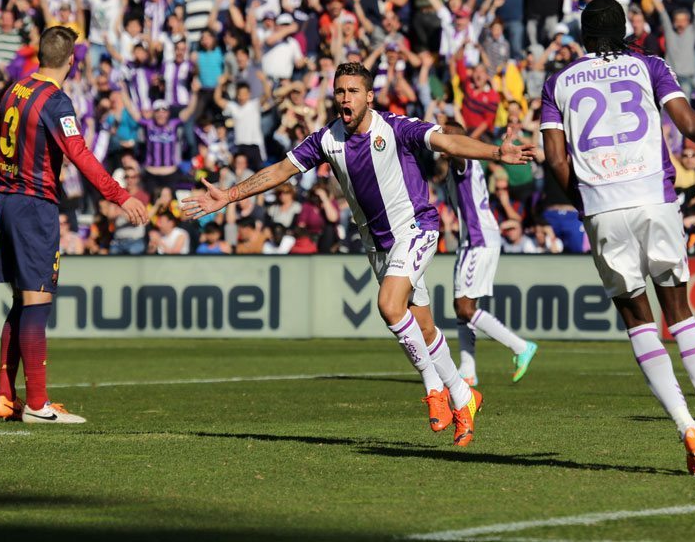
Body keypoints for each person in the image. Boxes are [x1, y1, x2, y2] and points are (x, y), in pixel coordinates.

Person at [182, 62, 535, 446]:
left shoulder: (397, 128)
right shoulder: (326, 139)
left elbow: (449, 142)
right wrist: (230, 195)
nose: (344, 98)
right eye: (339, 91)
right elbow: (281, 170)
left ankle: (435, 389)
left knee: (388, 305)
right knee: (425, 328)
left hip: (416, 229)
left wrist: (497, 152)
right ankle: (465, 396)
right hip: (378, 246)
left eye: (352, 91)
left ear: (369, 97)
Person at [540, 0, 695, 475]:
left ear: (584, 38)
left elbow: (555, 160)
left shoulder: (558, 81)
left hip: (602, 207)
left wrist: (589, 201)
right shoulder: (649, 65)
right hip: (655, 200)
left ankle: (686, 427)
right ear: (625, 30)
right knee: (681, 314)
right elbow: (690, 125)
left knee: (639, 323)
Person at [0, 26, 145, 424]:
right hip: (33, 206)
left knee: (22, 303)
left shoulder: (15, 89)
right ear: (71, 62)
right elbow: (79, 154)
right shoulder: (56, 102)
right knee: (37, 302)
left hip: (5, 202)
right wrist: (119, 194)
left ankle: (6, 398)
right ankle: (38, 405)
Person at [441, 123, 537, 388]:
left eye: (444, 134)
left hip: (478, 239)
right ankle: (468, 371)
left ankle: (520, 346)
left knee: (465, 307)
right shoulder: (455, 164)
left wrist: (453, 137)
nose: (439, 138)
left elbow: (457, 146)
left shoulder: (464, 160)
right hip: (470, 240)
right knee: (461, 308)